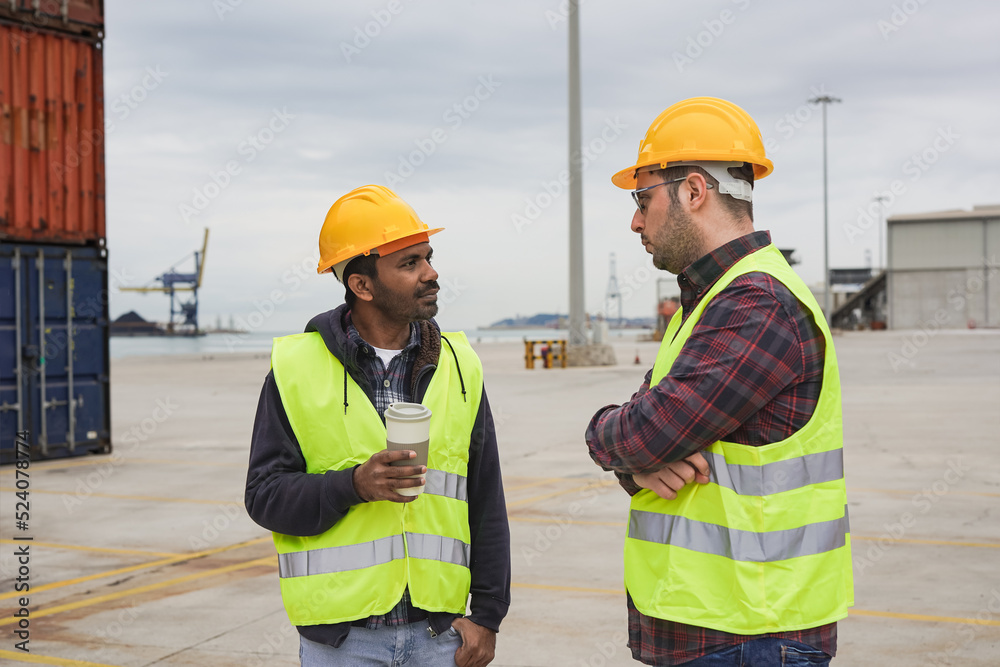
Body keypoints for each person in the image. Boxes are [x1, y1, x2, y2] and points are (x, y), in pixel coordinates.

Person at [585, 97, 853, 666]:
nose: (635, 220)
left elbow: (641, 432)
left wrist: (614, 441)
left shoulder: (756, 304)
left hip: (750, 633)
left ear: (694, 191)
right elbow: (650, 442)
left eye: (643, 198)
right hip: (713, 625)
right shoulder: (705, 304)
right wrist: (638, 463)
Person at [245, 185, 510, 667]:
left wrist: (489, 617)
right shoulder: (296, 368)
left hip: (439, 636)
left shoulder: (460, 365)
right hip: (342, 643)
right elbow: (264, 496)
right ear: (362, 286)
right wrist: (353, 485)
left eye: (427, 257)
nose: (431, 274)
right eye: (409, 264)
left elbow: (486, 497)